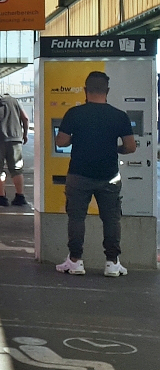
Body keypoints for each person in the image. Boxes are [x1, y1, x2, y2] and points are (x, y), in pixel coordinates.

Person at [55, 71, 136, 277]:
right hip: (109, 176)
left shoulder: (74, 113)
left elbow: (61, 141)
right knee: (111, 219)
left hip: (79, 175)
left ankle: (75, 261)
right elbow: (130, 147)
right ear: (107, 91)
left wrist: (77, 139)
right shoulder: (119, 115)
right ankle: (112, 263)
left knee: (76, 218)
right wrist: (114, 149)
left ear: (85, 90)